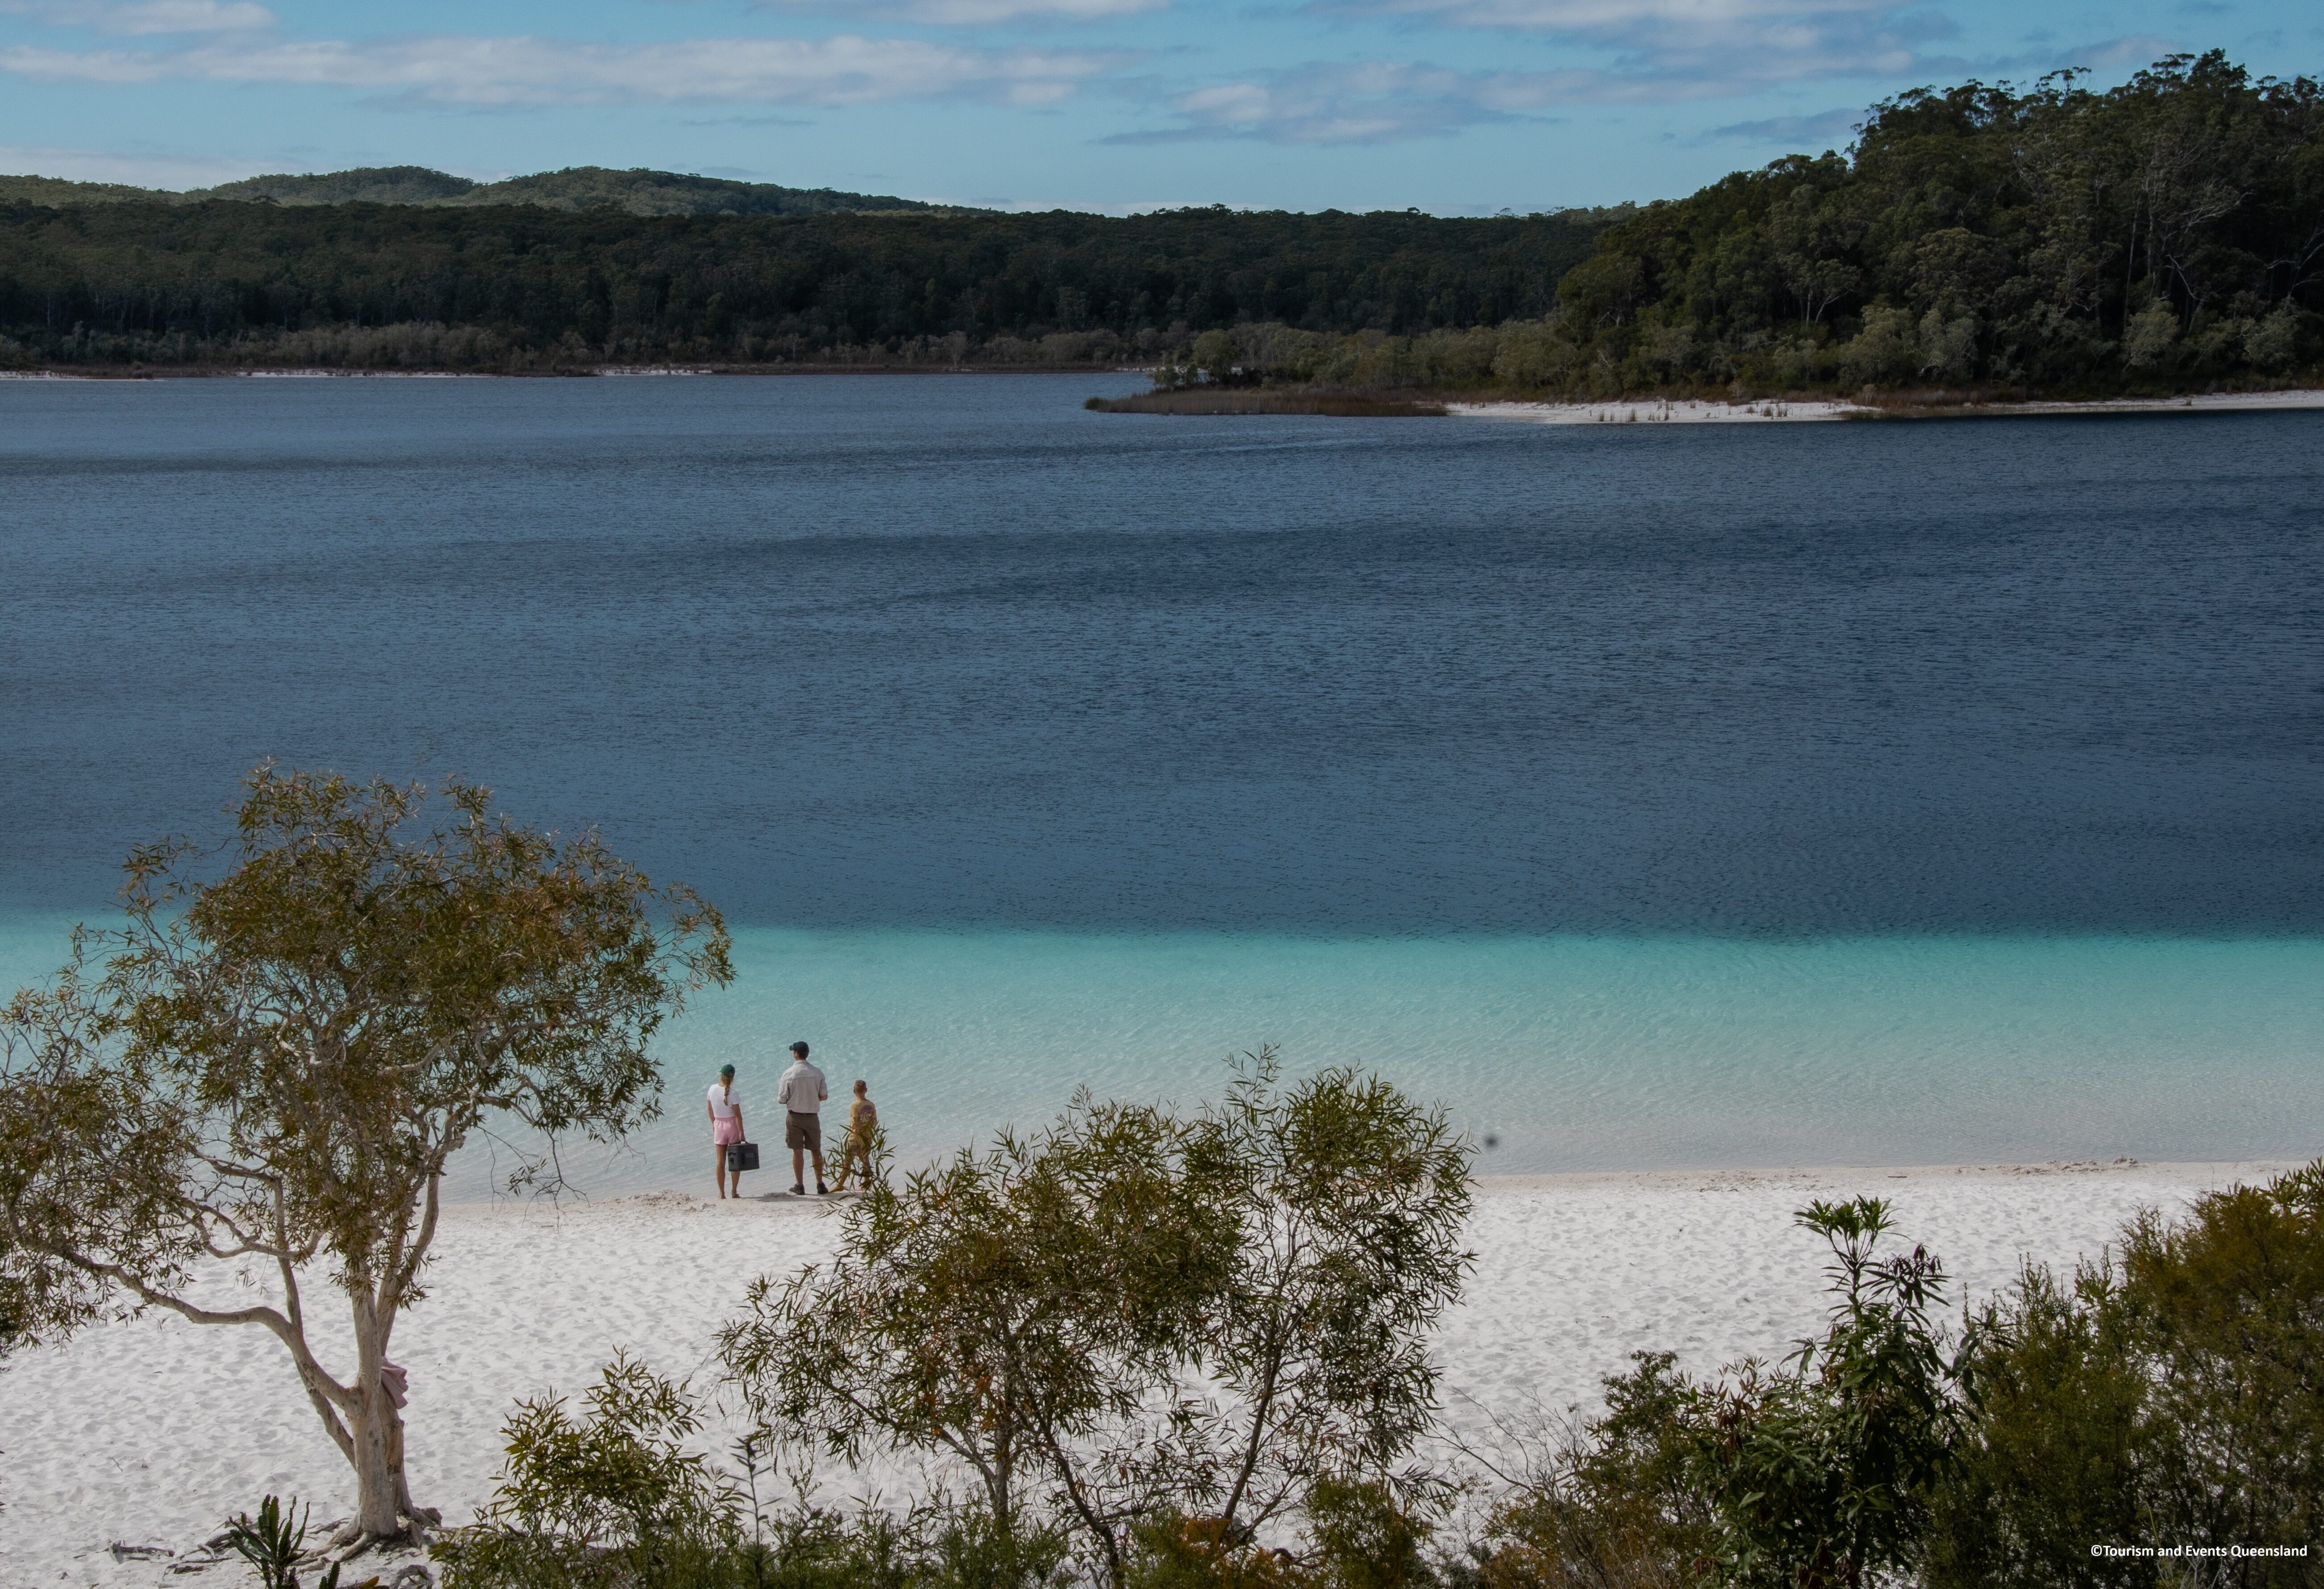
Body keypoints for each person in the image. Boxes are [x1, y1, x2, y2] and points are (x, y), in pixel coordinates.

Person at [775, 1040, 829, 1195]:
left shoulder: (788, 1074)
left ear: (796, 1054)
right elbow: (824, 1096)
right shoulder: (818, 1073)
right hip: (813, 1117)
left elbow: (781, 1099)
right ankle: (820, 1183)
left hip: (795, 1117)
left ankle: (800, 1185)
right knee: (816, 1150)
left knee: (797, 1152)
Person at [828, 1079, 879, 1192]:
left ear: (854, 1092)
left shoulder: (854, 1105)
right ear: (866, 1090)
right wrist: (868, 1133)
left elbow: (856, 1122)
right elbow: (874, 1122)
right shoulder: (871, 1105)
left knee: (848, 1160)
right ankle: (866, 1183)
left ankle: (840, 1184)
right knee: (865, 1160)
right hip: (867, 1137)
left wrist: (859, 1133)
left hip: (854, 1138)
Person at [708, 1064, 746, 1199]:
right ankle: (734, 1191)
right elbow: (738, 1116)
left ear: (721, 1075)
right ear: (732, 1078)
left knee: (720, 1161)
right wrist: (742, 1132)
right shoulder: (734, 1094)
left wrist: (714, 1124)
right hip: (732, 1127)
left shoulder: (712, 1089)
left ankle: (721, 1193)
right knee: (735, 1162)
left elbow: (710, 1111)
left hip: (719, 1125)